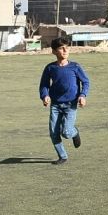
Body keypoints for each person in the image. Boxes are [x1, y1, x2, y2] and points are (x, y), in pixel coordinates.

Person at [39, 37, 90, 165]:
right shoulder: (50, 68)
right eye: (61, 48)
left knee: (67, 132)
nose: (65, 50)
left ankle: (75, 132)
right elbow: (44, 84)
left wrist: (83, 95)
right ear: (54, 51)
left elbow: (85, 82)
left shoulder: (75, 67)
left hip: (71, 104)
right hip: (55, 105)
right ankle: (62, 156)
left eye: (67, 47)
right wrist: (45, 96)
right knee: (53, 132)